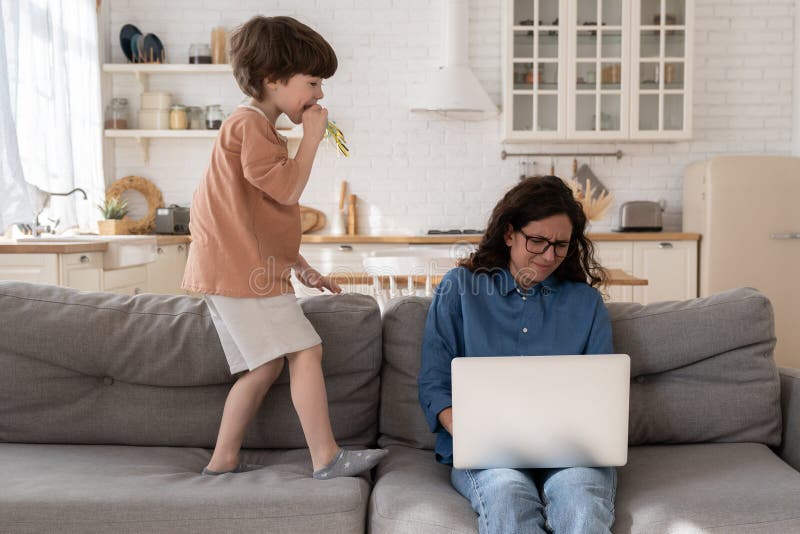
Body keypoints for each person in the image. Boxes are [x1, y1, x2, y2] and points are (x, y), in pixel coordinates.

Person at [182, 15, 386, 479]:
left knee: (264, 367)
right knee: (306, 351)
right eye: (313, 82)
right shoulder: (249, 127)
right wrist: (311, 139)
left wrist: (300, 266)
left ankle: (222, 461)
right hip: (237, 272)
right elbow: (287, 191)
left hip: (230, 269)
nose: (319, 95)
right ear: (272, 80)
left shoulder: (255, 129)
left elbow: (255, 219)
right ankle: (327, 457)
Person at [418, 176, 616, 533]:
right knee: (507, 500)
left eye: (560, 245)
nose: (549, 256)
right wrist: (469, 433)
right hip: (487, 454)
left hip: (571, 454)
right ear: (509, 234)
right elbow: (434, 384)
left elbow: (604, 396)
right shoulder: (459, 288)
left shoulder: (586, 304)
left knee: (582, 504)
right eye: (537, 241)